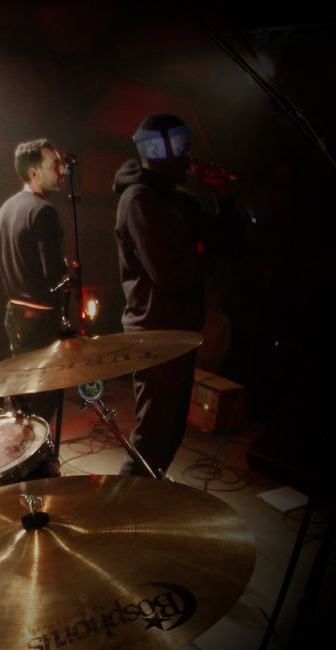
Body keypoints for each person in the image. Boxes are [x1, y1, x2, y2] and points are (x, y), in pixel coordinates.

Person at [113, 114, 237, 477]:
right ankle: (124, 504)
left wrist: (222, 194)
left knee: (171, 433)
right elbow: (171, 274)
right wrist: (202, 255)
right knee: (151, 438)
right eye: (180, 147)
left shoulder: (179, 200)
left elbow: (228, 244)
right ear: (157, 150)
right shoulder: (138, 200)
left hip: (180, 331)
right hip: (154, 334)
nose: (187, 155)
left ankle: (148, 496)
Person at [0, 138, 68, 421]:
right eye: (55, 165)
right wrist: (68, 275)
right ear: (34, 172)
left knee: (24, 402)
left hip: (15, 314)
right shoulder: (44, 211)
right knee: (42, 406)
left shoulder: (7, 208)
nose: (62, 171)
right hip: (41, 321)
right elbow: (54, 274)